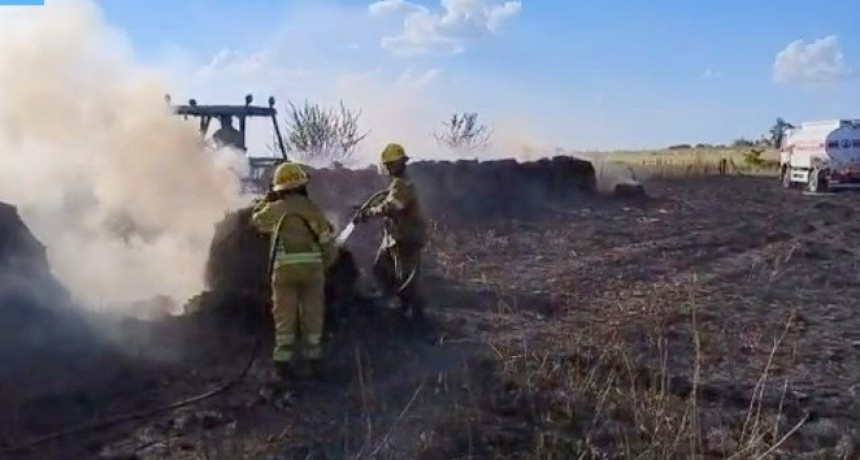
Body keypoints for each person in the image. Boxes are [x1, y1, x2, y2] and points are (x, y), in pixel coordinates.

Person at [250, 161, 334, 380]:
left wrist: (265, 201)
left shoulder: (276, 208)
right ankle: (314, 361)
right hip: (313, 272)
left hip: (285, 271)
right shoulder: (312, 209)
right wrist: (325, 265)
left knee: (284, 316)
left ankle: (282, 363)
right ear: (302, 185)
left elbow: (256, 221)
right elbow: (327, 241)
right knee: (313, 315)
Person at [358, 143, 429, 323]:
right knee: (380, 267)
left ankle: (413, 314)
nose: (389, 168)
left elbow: (392, 207)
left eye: (390, 164)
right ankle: (396, 302)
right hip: (396, 237)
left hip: (405, 238)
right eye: (387, 165)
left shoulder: (401, 184)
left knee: (406, 277)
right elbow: (390, 201)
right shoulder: (399, 184)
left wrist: (369, 213)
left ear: (399, 163)